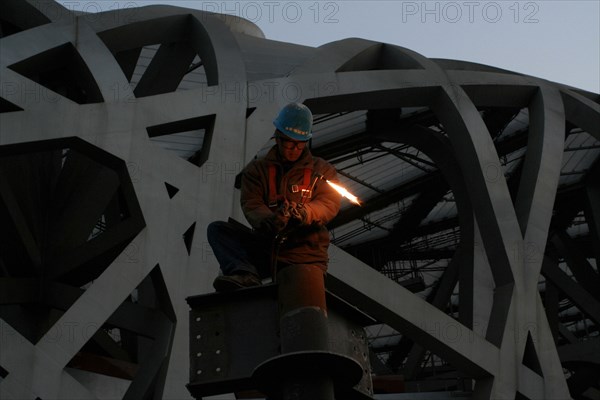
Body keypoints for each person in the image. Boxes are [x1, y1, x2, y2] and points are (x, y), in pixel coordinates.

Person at [207, 102, 341, 292]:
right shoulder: (257, 171)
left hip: (305, 255)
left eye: (299, 143)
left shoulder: (322, 171)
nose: (294, 148)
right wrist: (271, 220)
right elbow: (252, 205)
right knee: (218, 230)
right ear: (278, 137)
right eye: (289, 142)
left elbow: (329, 204)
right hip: (267, 249)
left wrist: (305, 213)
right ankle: (246, 274)